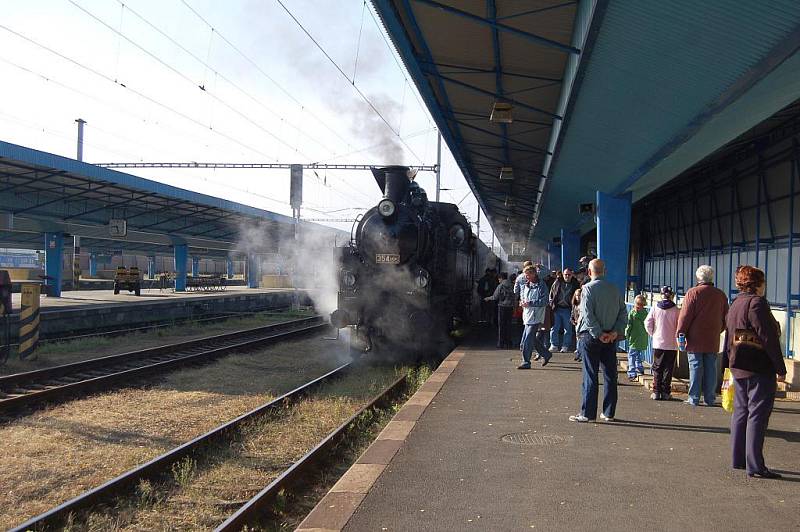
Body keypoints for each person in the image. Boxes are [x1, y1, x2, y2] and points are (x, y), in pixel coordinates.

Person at [726, 266, 787, 479]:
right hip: (758, 366)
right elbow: (768, 337)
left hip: (739, 364)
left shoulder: (735, 303)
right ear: (758, 284)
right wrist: (780, 368)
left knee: (741, 412)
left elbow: (729, 333)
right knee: (758, 415)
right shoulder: (757, 303)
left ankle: (738, 459)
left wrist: (728, 361)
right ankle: (756, 465)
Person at [569, 259, 627, 422]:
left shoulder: (587, 289)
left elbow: (587, 314)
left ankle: (587, 413)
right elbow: (623, 314)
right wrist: (614, 332)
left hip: (591, 336)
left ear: (589, 272)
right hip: (610, 336)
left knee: (590, 374)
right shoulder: (614, 290)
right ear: (605, 271)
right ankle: (608, 412)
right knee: (610, 375)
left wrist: (598, 333)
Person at [676, 265, 729, 406]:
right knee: (711, 367)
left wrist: (681, 333)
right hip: (712, 337)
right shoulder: (721, 294)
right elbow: (726, 317)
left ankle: (693, 398)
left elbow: (685, 316)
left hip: (694, 338)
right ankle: (710, 398)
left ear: (698, 278)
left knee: (695, 366)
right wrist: (719, 329)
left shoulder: (692, 293)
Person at [644, 286, 679, 400]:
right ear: (672, 295)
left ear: (661, 295)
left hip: (658, 341)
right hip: (672, 343)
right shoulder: (676, 310)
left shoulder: (655, 308)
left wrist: (652, 333)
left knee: (657, 367)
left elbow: (647, 322)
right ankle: (666, 392)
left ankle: (656, 391)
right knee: (668, 368)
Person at [518, 265, 551, 369]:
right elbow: (522, 296)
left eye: (528, 275)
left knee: (527, 339)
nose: (526, 277)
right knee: (530, 338)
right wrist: (522, 302)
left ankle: (526, 362)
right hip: (527, 315)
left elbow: (545, 301)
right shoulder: (525, 285)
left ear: (534, 274)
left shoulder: (541, 285)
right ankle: (546, 354)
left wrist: (530, 303)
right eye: (525, 275)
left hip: (536, 315)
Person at [550, 268, 580, 352]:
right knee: (554, 328)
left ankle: (565, 346)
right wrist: (551, 303)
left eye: (569, 274)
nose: (567, 276)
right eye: (565, 274)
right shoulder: (557, 282)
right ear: (563, 274)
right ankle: (554, 345)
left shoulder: (575, 284)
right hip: (557, 308)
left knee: (568, 329)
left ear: (572, 275)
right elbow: (552, 293)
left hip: (568, 309)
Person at [485, 272, 515, 348]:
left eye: (499, 279)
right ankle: (509, 343)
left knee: (501, 325)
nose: (498, 280)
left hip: (502, 307)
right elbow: (516, 295)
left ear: (501, 278)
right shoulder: (512, 285)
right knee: (509, 325)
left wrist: (487, 298)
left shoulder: (500, 285)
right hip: (510, 307)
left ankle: (501, 343)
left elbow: (495, 297)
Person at [624, 294, 648, 381]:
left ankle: (632, 372)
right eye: (639, 304)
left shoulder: (632, 313)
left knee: (631, 355)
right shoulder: (646, 313)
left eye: (640, 304)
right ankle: (640, 368)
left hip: (634, 338)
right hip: (643, 337)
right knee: (639, 354)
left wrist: (626, 334)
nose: (639, 306)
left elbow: (629, 325)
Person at [570, 288, 583, 362]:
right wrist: (572, 320)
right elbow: (572, 313)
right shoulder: (575, 304)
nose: (578, 297)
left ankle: (581, 355)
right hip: (576, 323)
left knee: (581, 339)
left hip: (582, 324)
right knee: (578, 339)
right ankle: (578, 354)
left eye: (579, 295)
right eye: (577, 295)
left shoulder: (583, 304)